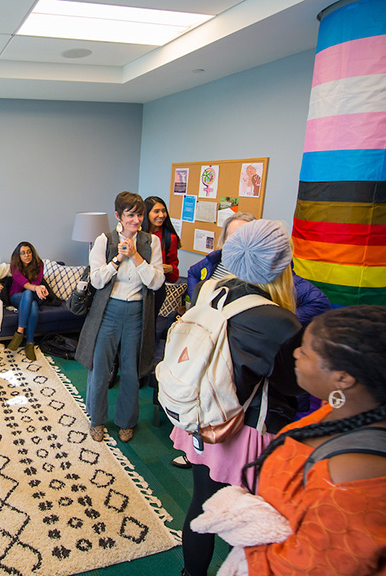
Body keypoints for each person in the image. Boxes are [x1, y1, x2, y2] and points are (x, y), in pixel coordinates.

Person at [172, 219, 303, 576]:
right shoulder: (280, 321)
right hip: (246, 432)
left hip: (202, 417)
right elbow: (294, 387)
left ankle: (191, 573)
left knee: (200, 505)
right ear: (281, 264)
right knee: (252, 516)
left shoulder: (214, 291)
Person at [237, 305, 386, 575]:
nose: (296, 353)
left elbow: (303, 568)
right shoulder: (343, 411)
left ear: (342, 378)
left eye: (306, 351)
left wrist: (244, 529)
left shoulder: (348, 480)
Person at [75, 191, 165, 443]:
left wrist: (136, 256)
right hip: (108, 312)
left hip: (137, 313)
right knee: (100, 369)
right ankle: (97, 420)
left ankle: (126, 422)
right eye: (130, 215)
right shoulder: (104, 240)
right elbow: (96, 279)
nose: (136, 220)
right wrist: (118, 258)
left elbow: (157, 282)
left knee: (130, 370)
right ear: (118, 216)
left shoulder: (151, 243)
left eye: (139, 215)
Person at [187, 212, 330, 327]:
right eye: (235, 238)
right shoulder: (214, 260)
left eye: (246, 238)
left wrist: (278, 321)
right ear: (224, 240)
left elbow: (319, 303)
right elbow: (193, 273)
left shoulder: (270, 275)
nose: (241, 244)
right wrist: (199, 300)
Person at [6, 242, 47, 361]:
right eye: (23, 253)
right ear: (19, 256)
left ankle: (19, 333)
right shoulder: (14, 266)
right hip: (16, 296)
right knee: (29, 297)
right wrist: (37, 288)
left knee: (32, 300)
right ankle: (30, 342)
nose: (26, 255)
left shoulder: (39, 264)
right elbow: (24, 284)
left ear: (32, 253)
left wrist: (39, 289)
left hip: (34, 295)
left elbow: (36, 283)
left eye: (29, 252)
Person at [141, 195, 181, 314]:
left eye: (163, 211)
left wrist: (169, 268)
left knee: (149, 325)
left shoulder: (170, 238)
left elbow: (174, 276)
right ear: (146, 213)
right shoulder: (136, 234)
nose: (161, 215)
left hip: (156, 290)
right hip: (137, 287)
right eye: (156, 211)